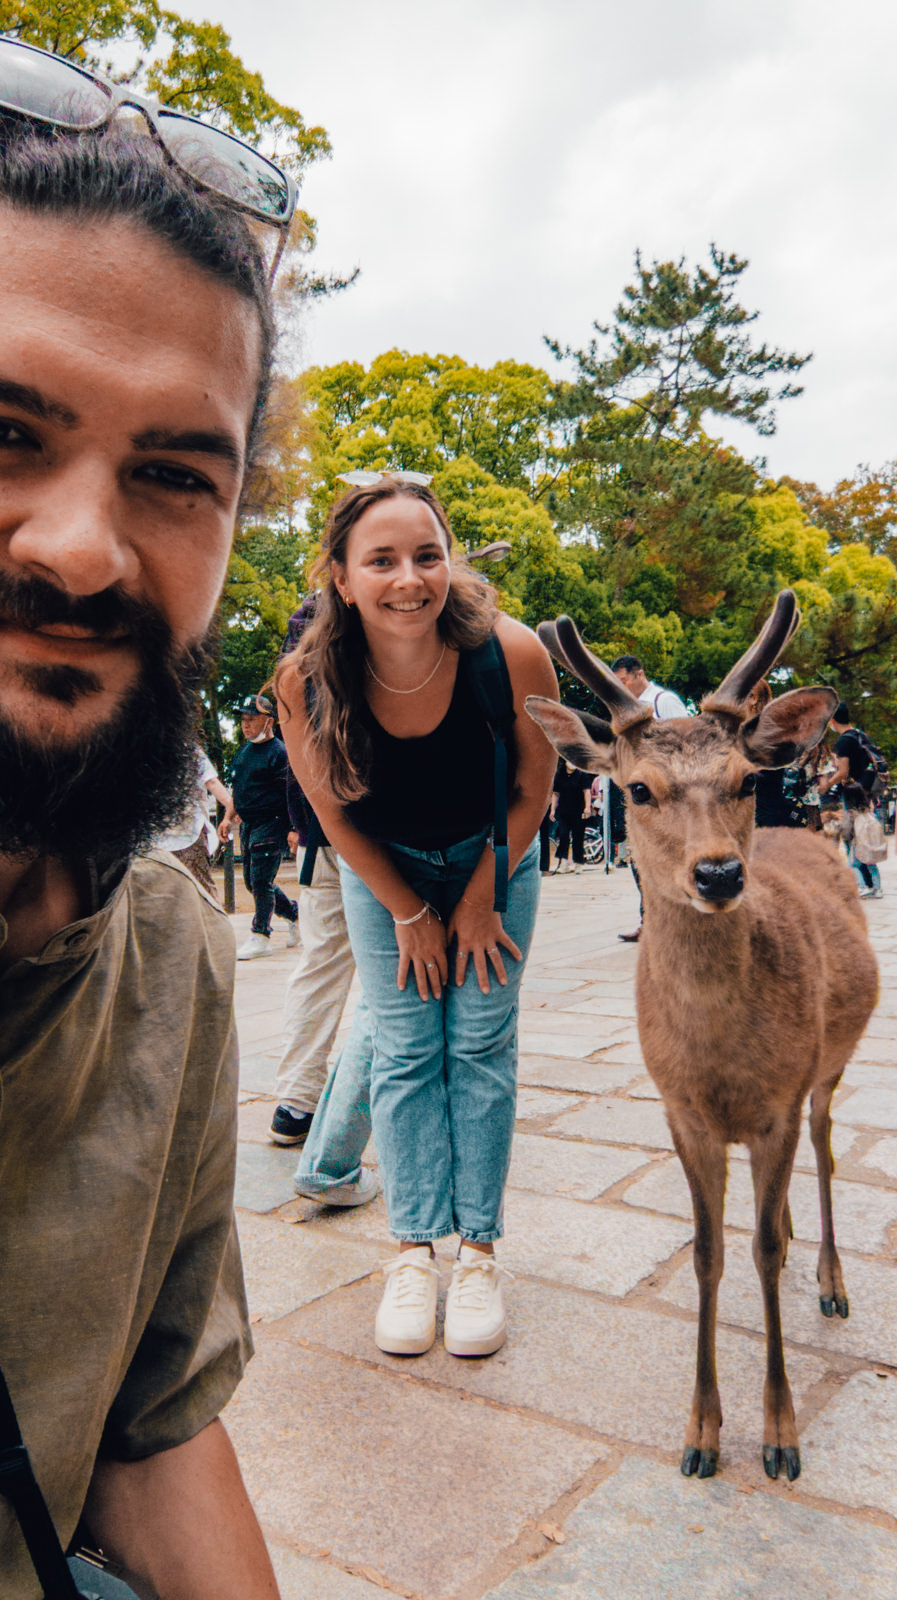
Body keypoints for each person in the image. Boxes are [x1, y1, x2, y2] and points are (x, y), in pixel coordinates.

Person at [0, 42, 286, 1597]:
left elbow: (152, 1428)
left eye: (174, 473)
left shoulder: (165, 953)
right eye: (5, 432)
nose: (80, 550)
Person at [275, 474, 557, 1360]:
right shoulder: (305, 678)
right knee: (403, 1051)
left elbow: (535, 787)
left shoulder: (507, 653)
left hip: (494, 855)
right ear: (340, 576)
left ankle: (476, 1253)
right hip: (381, 870)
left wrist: (479, 895)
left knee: (477, 1044)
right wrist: (406, 911)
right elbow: (333, 817)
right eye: (381, 561)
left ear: (450, 563)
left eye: (426, 556)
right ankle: (412, 1251)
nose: (409, 580)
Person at [611, 655, 689, 940]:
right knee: (640, 859)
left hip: (668, 795)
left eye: (623, 681)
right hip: (642, 793)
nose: (621, 688)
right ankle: (650, 921)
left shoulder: (663, 700)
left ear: (639, 674)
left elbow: (687, 740)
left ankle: (671, 922)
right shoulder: (626, 709)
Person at [218, 694, 299, 960]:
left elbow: (291, 793)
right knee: (253, 883)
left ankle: (260, 935)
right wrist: (228, 817)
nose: (245, 724)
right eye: (243, 720)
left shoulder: (280, 753)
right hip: (249, 825)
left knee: (262, 880)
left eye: (251, 719)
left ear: (269, 721)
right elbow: (238, 792)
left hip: (273, 823)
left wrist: (294, 828)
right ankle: (294, 914)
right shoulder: (243, 753)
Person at [156, 743, 230, 895]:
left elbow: (211, 782)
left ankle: (210, 917)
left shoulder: (190, 751)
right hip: (163, 838)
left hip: (187, 834)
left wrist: (232, 806)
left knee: (201, 889)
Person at [839, 783, 886, 898]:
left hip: (858, 843)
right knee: (872, 865)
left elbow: (846, 830)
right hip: (871, 843)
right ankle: (877, 889)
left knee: (853, 865)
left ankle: (862, 887)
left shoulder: (851, 813)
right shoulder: (867, 810)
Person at [549, 759, 592, 872]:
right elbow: (555, 793)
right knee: (563, 835)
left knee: (578, 837)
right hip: (563, 811)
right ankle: (563, 862)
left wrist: (587, 807)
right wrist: (553, 809)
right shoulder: (560, 774)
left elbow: (586, 791)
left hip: (579, 811)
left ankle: (578, 862)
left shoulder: (582, 774)